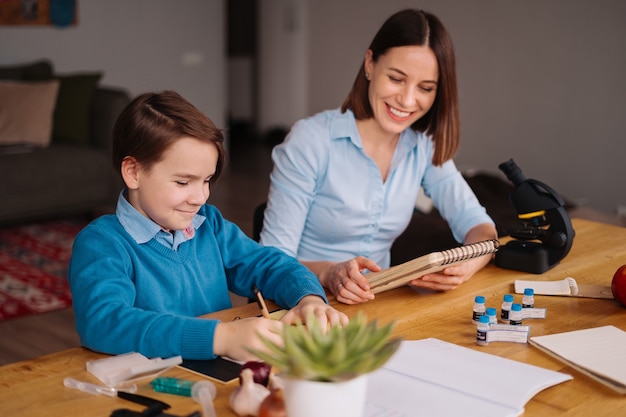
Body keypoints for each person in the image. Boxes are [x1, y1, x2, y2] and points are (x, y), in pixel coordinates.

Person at [68, 90, 347, 362]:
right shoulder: (102, 244)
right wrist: (220, 338)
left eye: (207, 181)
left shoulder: (208, 225)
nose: (200, 197)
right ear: (133, 172)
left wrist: (308, 298)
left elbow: (268, 264)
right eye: (183, 182)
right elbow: (104, 323)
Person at [260, 9, 497, 305]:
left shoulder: (424, 144)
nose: (408, 100)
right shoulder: (311, 141)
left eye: (426, 88)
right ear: (370, 64)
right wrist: (329, 273)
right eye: (397, 79)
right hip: (303, 302)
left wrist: (468, 264)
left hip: (377, 306)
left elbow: (479, 226)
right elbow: (271, 262)